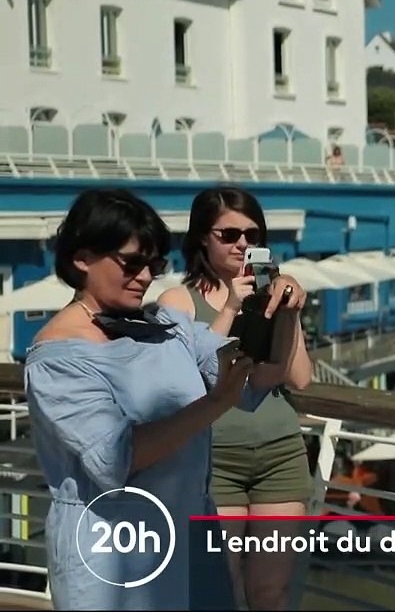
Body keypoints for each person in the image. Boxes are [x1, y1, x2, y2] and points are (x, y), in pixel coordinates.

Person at [23, 188, 300, 610]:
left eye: (155, 265)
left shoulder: (163, 324)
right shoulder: (58, 358)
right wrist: (213, 404)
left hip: (191, 537)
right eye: (132, 263)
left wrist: (278, 306)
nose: (145, 276)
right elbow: (115, 458)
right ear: (81, 258)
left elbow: (246, 371)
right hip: (116, 559)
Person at [158, 185, 313, 611]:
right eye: (228, 235)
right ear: (201, 239)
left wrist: (288, 313)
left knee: (270, 594)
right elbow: (179, 377)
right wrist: (229, 308)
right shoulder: (177, 300)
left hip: (278, 453)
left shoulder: (270, 295)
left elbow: (298, 378)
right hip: (213, 459)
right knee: (219, 591)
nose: (242, 243)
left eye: (252, 234)